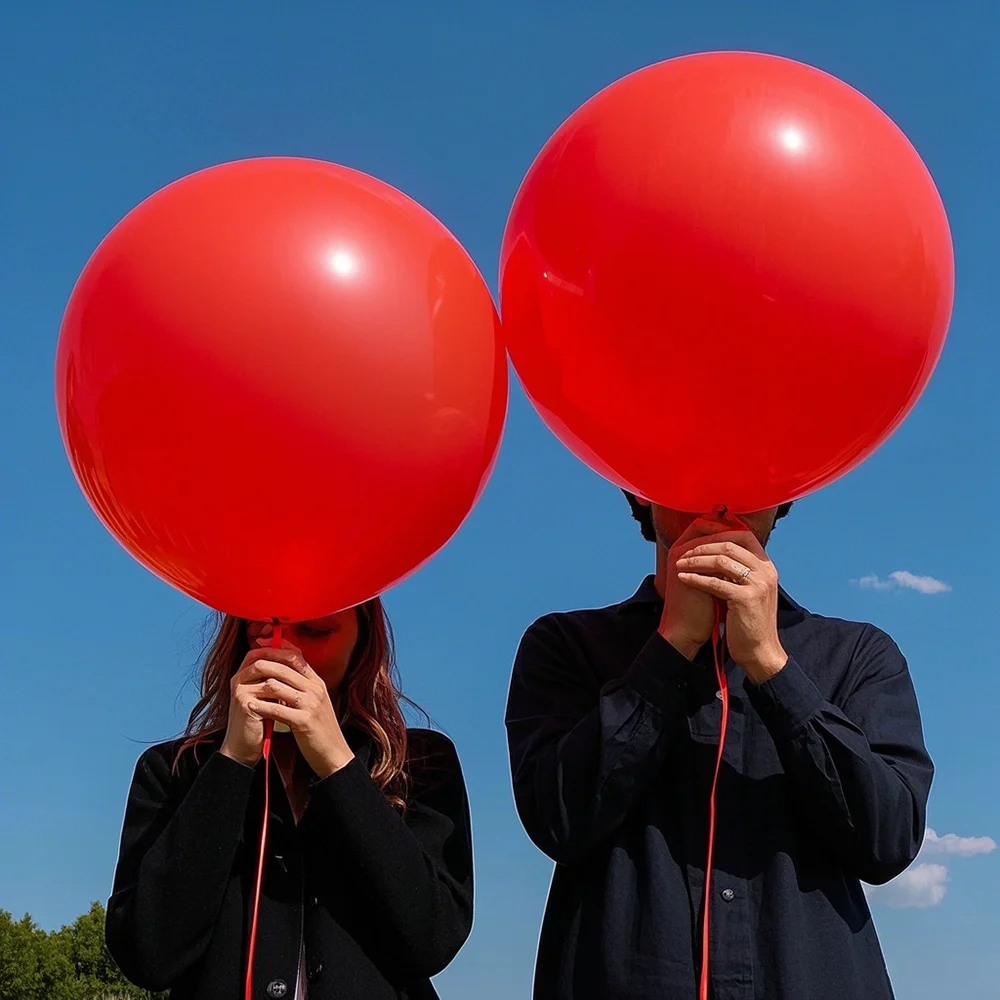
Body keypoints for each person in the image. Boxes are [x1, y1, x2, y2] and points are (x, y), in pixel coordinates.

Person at [505, 496, 933, 1000]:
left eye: (751, 472)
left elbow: (888, 841)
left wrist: (771, 665)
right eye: (688, 463)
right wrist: (671, 646)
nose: (721, 494)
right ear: (640, 489)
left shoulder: (859, 654)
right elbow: (558, 819)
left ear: (785, 493)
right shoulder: (567, 644)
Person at [107, 599, 473, 1000]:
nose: (288, 654)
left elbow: (432, 938)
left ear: (363, 639)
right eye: (264, 632)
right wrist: (231, 763)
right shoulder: (173, 770)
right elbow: (147, 956)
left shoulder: (419, 763)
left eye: (317, 631)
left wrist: (337, 764)